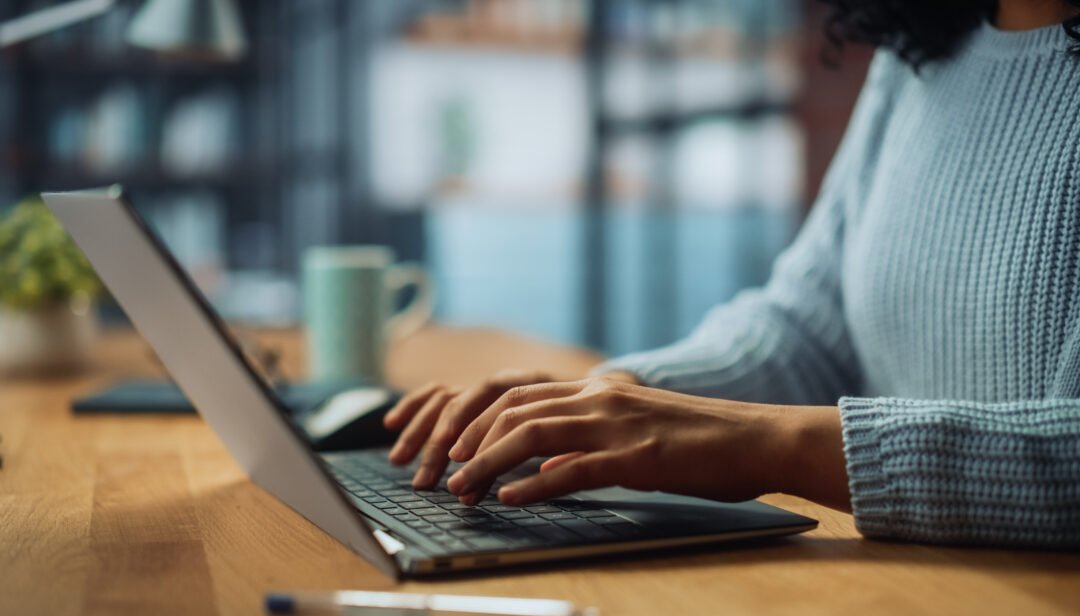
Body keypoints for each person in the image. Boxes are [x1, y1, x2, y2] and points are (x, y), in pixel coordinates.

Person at [384, 0, 1080, 549]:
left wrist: (768, 443)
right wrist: (621, 394)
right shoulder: (919, 51)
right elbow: (809, 323)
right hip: (893, 586)